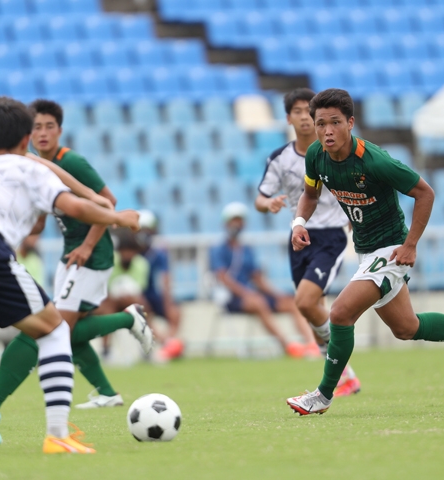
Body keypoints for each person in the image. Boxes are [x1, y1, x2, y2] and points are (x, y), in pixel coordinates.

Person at [286, 89, 444, 415]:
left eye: (335, 123)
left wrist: (410, 244)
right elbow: (310, 194)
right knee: (406, 328)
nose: (327, 131)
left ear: (350, 122)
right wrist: (298, 223)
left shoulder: (374, 160)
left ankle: (323, 396)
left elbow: (425, 193)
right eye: (320, 123)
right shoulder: (316, 155)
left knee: (340, 314)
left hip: (392, 248)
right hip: (367, 251)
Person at [0, 97, 140, 452]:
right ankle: (56, 434)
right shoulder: (30, 169)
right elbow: (76, 206)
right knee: (55, 331)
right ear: (26, 140)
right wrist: (119, 218)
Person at [255, 88, 360, 396]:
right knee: (313, 308)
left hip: (331, 235)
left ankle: (343, 373)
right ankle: (345, 377)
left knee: (304, 301)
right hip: (299, 237)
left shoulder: (334, 151)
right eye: (298, 111)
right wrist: (269, 204)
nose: (304, 117)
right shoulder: (280, 158)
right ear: (288, 118)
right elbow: (260, 197)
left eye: (308, 112)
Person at [210, 202, 317, 357]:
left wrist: (277, 294)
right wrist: (247, 293)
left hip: (252, 296)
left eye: (240, 221)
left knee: (292, 302)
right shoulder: (218, 249)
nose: (237, 224)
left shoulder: (246, 249)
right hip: (232, 298)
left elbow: (257, 279)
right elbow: (222, 278)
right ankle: (287, 346)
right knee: (258, 302)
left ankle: (311, 344)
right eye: (234, 221)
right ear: (226, 223)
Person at [136, 210, 184, 361]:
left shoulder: (158, 254)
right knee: (144, 309)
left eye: (148, 230)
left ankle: (167, 345)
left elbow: (165, 279)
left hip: (152, 295)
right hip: (135, 298)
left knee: (175, 312)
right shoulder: (130, 252)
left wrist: (168, 302)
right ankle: (165, 343)